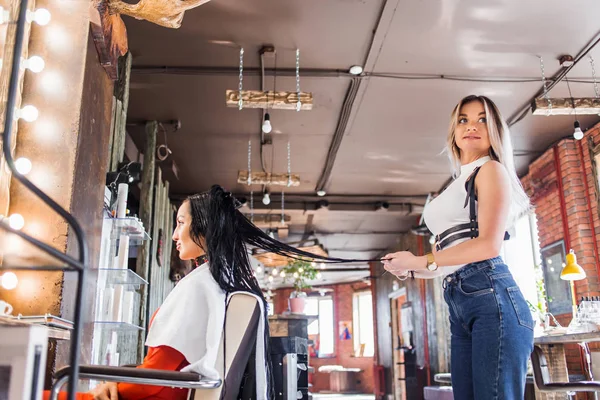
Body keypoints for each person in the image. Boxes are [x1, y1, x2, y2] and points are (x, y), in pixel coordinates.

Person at [47, 185, 341, 400]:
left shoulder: (199, 285)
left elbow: (149, 383)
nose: (175, 234)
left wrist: (106, 387)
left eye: (181, 223)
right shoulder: (220, 284)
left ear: (204, 228)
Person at [382, 95, 534, 400]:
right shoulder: (457, 182)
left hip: (493, 299)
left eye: (482, 120)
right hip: (459, 299)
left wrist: (420, 260)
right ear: (454, 130)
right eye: (463, 120)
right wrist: (410, 269)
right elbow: (449, 261)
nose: (471, 127)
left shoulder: (490, 170)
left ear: (495, 130)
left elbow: (488, 246)